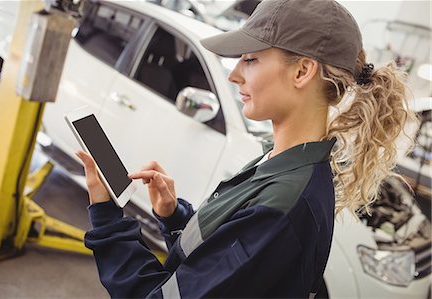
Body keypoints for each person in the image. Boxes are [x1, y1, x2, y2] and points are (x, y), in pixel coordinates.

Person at [76, 0, 417, 298]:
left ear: (302, 71)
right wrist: (174, 216)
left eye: (250, 60)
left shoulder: (283, 205)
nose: (234, 75)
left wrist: (106, 218)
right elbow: (220, 267)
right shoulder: (280, 162)